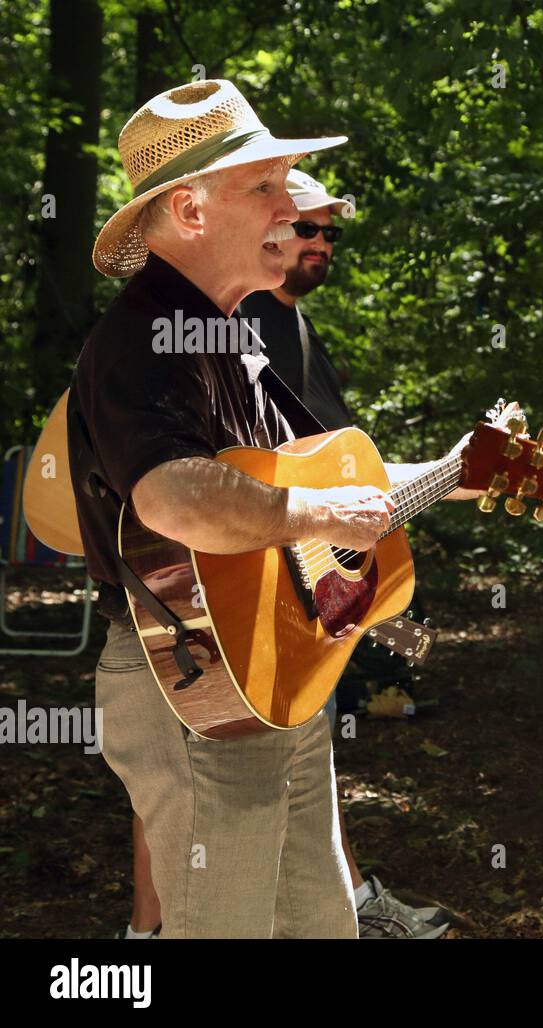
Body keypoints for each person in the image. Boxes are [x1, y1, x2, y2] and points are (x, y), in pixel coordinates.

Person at [72, 78, 477, 938]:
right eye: (266, 185)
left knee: (321, 925)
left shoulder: (234, 336)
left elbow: (322, 482)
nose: (293, 208)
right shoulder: (142, 337)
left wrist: (456, 470)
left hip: (277, 670)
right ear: (187, 208)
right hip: (193, 682)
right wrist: (319, 516)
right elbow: (176, 495)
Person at [240, 169, 449, 938]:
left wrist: (451, 476)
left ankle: (350, 908)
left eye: (333, 232)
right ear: (267, 228)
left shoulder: (293, 326)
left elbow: (341, 473)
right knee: (228, 778)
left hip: (304, 591)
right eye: (308, 228)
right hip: (253, 599)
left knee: (307, 765)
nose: (324, 244)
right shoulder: (241, 321)